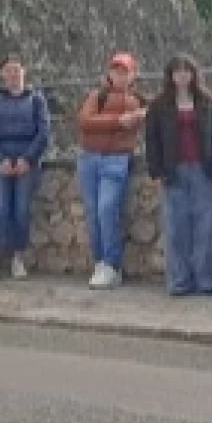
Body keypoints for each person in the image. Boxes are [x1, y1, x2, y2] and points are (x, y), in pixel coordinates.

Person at [143, 54, 212, 297]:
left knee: (206, 227)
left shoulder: (206, 102)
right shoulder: (159, 106)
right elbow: (152, 140)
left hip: (202, 169)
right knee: (176, 228)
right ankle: (179, 281)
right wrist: (156, 170)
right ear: (170, 76)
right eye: (177, 71)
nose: (182, 76)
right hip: (173, 170)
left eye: (186, 71)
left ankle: (207, 280)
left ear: (193, 74)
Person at [0, 55, 50, 284]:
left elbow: (43, 132)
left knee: (20, 211)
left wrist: (28, 159)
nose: (13, 74)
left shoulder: (37, 100)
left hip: (27, 161)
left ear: (24, 72)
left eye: (17, 70)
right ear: (2, 74)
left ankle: (18, 258)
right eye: (9, 70)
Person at [74, 54, 147, 289]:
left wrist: (108, 122)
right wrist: (117, 121)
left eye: (125, 72)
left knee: (107, 208)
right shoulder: (97, 96)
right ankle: (100, 262)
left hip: (116, 158)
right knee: (92, 212)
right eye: (116, 71)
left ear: (133, 75)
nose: (120, 76)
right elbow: (85, 122)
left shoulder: (137, 101)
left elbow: (98, 123)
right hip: (90, 157)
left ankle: (111, 264)